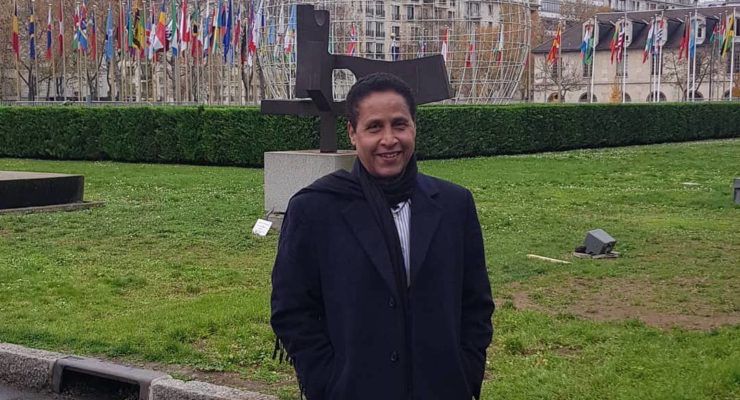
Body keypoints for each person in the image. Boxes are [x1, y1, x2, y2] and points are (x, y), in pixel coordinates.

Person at [271, 72, 494, 400]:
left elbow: (475, 302)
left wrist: (466, 373)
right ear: (353, 133)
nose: (389, 139)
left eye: (399, 125)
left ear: (414, 127)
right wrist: (327, 382)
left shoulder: (454, 205)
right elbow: (292, 309)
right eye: (374, 127)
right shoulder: (315, 210)